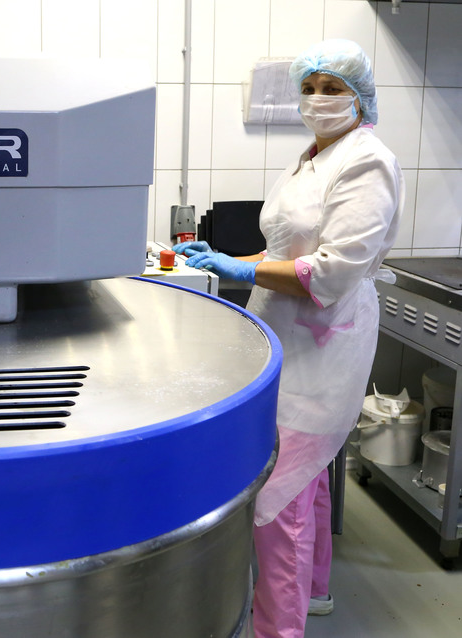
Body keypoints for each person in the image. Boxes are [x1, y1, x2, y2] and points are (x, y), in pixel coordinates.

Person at [174, 39, 403, 638]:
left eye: (332, 89)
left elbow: (331, 271)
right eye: (309, 88)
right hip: (284, 339)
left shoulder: (367, 162)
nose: (317, 99)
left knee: (279, 497)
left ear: (360, 98)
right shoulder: (309, 158)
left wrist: (245, 271)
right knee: (308, 477)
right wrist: (229, 260)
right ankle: (316, 590)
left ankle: (280, 629)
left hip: (325, 345)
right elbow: (284, 250)